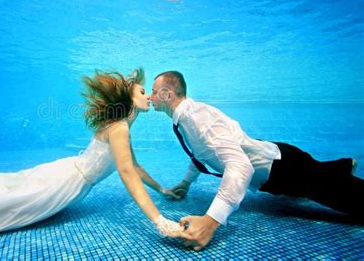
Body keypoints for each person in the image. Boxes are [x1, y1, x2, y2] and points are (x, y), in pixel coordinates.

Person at [0, 68, 182, 249]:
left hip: (64, 171)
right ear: (128, 99)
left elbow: (135, 167)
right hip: (65, 184)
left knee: (0, 190)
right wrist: (158, 221)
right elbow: (127, 174)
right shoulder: (119, 128)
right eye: (143, 91)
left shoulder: (121, 125)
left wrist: (163, 190)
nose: (149, 96)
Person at [150, 70, 363, 251]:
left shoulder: (197, 120)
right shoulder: (187, 118)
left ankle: (342, 167)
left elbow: (241, 166)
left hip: (284, 167)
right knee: (314, 175)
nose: (150, 97)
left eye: (153, 91)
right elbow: (201, 154)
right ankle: (344, 165)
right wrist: (187, 182)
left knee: (339, 195)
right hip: (274, 161)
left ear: (167, 94)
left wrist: (210, 221)